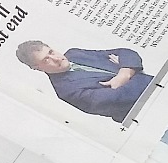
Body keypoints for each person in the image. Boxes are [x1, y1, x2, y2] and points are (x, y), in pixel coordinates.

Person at [15, 41, 153, 122]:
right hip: (148, 113)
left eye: (51, 52)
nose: (56, 58)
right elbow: (119, 98)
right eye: (46, 59)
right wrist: (130, 68)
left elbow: (125, 52)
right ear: (37, 68)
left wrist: (124, 73)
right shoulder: (67, 91)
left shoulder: (74, 53)